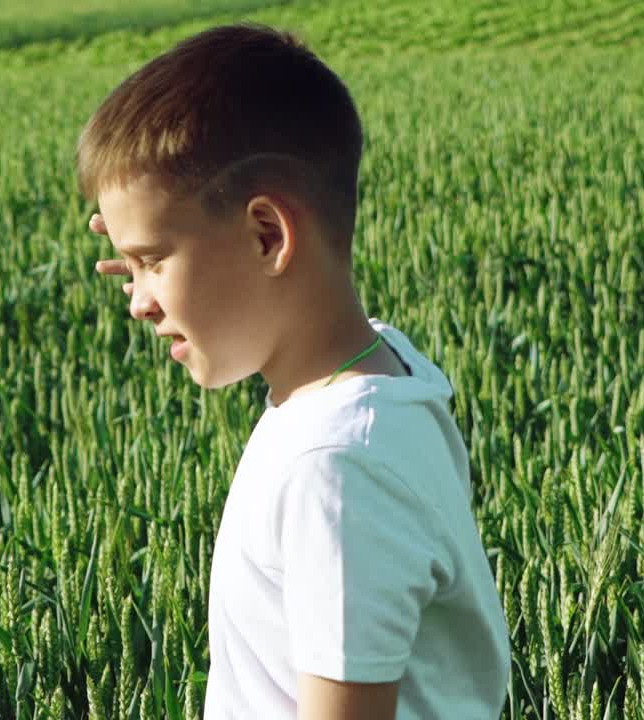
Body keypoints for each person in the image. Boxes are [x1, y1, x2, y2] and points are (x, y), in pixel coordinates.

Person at [78, 23, 510, 720]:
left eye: (152, 262)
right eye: (131, 266)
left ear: (267, 236)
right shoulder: (380, 373)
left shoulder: (334, 470)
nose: (137, 302)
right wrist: (152, 253)